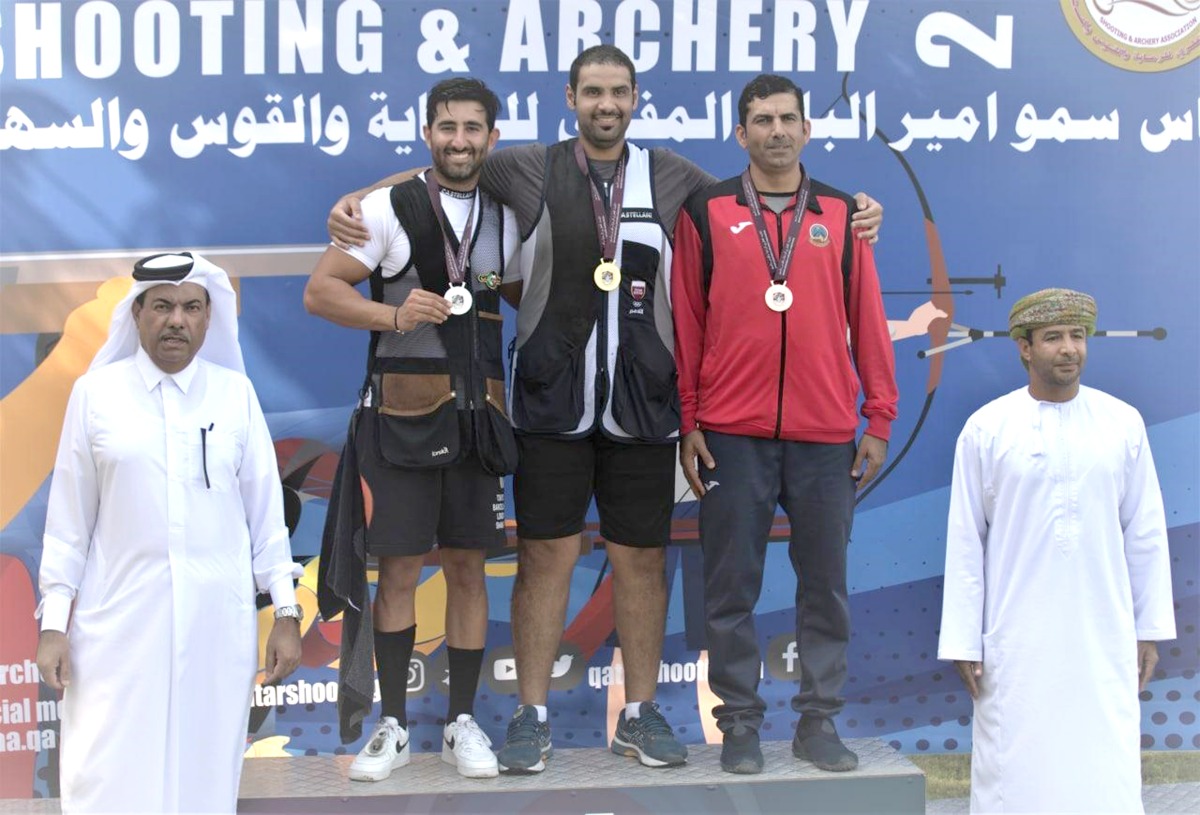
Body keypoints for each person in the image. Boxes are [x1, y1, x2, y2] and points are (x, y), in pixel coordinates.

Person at [328, 46, 883, 774]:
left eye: (618, 91)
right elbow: (444, 169)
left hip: (643, 406)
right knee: (545, 557)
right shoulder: (529, 167)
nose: (606, 104)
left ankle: (641, 713)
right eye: (593, 91)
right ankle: (532, 715)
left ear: (635, 98)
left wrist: (855, 207)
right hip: (551, 402)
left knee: (641, 561)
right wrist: (360, 198)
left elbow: (759, 195)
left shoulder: (677, 175)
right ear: (571, 97)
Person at [671, 74, 898, 775]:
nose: (775, 130)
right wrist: (689, 421)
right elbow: (686, 322)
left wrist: (878, 416)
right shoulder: (704, 211)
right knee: (731, 584)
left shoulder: (840, 212)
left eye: (787, 118)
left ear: (806, 129)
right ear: (740, 134)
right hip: (731, 432)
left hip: (827, 432)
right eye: (761, 119)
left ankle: (818, 721)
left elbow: (867, 317)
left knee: (824, 582)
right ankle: (738, 721)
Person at [35, 253, 303, 814]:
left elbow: (265, 517)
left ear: (209, 319)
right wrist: (55, 626)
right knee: (105, 772)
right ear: (137, 315)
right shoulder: (96, 396)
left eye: (190, 307)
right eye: (162, 306)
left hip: (215, 624)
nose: (176, 320)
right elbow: (68, 525)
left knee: (203, 773)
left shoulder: (234, 397)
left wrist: (285, 614)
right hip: (116, 629)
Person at [307, 78, 521, 780]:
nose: (459, 140)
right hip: (399, 419)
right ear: (427, 133)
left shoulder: (510, 210)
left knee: (467, 567)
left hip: (480, 421)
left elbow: (523, 287)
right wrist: (393, 316)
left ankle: (462, 722)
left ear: (492, 137)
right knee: (397, 569)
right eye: (446, 127)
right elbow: (322, 291)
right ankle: (393, 724)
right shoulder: (387, 207)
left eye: (472, 129)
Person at [938, 288, 1175, 813]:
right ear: (1024, 348)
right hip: (1016, 637)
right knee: (1015, 763)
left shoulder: (1122, 423)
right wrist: (963, 638)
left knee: (1102, 761)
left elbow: (1145, 532)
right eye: (1053, 338)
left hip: (1104, 632)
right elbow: (964, 540)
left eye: (1077, 336)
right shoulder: (987, 428)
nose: (1069, 349)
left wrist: (1148, 629)